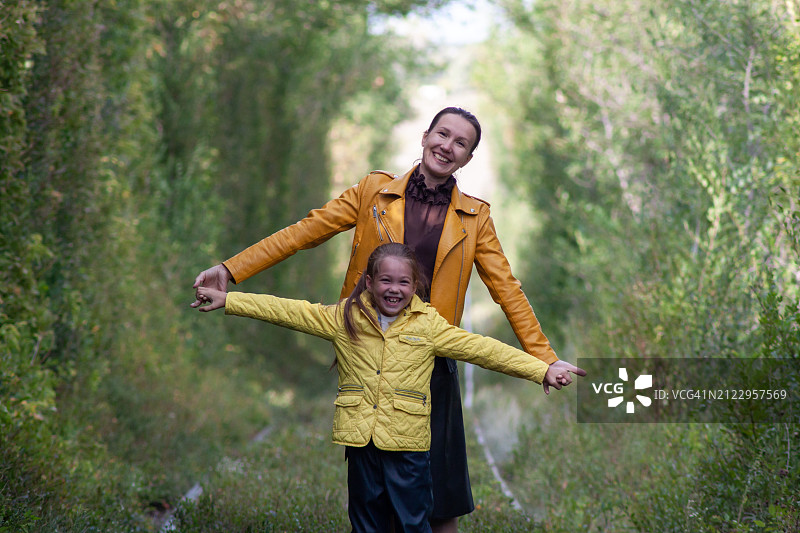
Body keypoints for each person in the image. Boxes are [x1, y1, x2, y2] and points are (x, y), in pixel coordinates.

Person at [192, 106, 578, 532]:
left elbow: (507, 290)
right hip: (369, 343)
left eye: (460, 143)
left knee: (440, 491)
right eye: (442, 135)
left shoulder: (474, 217)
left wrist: (544, 360)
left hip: (431, 351)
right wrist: (232, 270)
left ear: (467, 159)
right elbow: (304, 232)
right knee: (377, 478)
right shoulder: (373, 193)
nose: (447, 147)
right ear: (425, 136)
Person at [195, 244, 585, 533]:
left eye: (403, 282)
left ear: (415, 286)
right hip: (361, 443)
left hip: (408, 446)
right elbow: (286, 310)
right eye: (385, 280)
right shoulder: (342, 318)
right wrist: (229, 300)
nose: (394, 289)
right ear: (369, 282)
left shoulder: (428, 325)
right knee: (366, 522)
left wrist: (541, 369)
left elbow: (483, 349)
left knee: (413, 523)